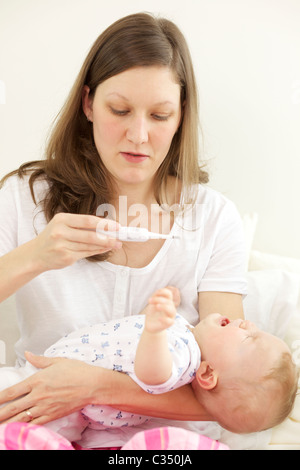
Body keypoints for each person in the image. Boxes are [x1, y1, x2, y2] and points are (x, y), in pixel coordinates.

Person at [0, 13, 248, 448]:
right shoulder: (25, 198)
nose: (138, 134)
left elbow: (230, 386)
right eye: (120, 110)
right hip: (45, 423)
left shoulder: (212, 219)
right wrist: (35, 256)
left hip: (165, 439)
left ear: (180, 117)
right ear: (88, 104)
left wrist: (94, 386)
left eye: (159, 115)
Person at [0, 287, 297, 441]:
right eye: (257, 329)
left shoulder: (185, 358)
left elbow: (152, 374)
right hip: (61, 404)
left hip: (47, 398)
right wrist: (154, 312)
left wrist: (155, 329)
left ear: (207, 374)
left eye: (249, 338)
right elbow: (130, 346)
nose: (249, 323)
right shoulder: (184, 337)